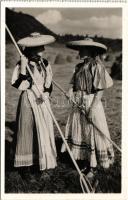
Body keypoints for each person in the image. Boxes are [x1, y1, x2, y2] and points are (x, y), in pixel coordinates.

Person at [61, 38, 114, 179]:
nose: (80, 52)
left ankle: (93, 167)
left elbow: (100, 90)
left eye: (83, 49)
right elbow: (73, 84)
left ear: (91, 51)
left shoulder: (97, 66)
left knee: (92, 133)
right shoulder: (79, 67)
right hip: (78, 102)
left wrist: (92, 108)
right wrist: (70, 91)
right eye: (79, 49)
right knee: (82, 132)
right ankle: (86, 161)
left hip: (91, 102)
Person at [11, 33, 57, 171]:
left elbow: (49, 83)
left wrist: (47, 93)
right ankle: (25, 166)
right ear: (32, 49)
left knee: (42, 128)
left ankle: (40, 160)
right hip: (28, 98)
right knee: (27, 128)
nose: (43, 50)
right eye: (40, 47)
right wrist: (24, 67)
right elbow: (20, 85)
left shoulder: (45, 63)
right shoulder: (22, 64)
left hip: (42, 100)